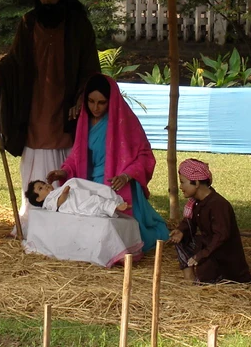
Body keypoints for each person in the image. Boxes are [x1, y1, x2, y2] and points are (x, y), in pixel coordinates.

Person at [0, 0, 100, 235]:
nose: (46, 0)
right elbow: (14, 62)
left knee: (66, 160)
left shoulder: (79, 25)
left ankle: (67, 226)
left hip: (67, 108)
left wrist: (82, 98)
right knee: (35, 158)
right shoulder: (28, 22)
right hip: (34, 108)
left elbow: (90, 68)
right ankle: (33, 221)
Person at [46, 73, 170, 252]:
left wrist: (127, 176)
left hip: (116, 184)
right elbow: (77, 156)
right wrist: (64, 172)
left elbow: (145, 155)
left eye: (101, 102)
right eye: (91, 101)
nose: (95, 107)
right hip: (89, 183)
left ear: (111, 100)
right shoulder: (84, 121)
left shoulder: (125, 121)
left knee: (119, 232)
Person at [169, 158, 251, 284]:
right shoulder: (197, 203)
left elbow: (221, 237)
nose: (180, 187)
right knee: (181, 240)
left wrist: (201, 255)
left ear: (196, 183)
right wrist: (181, 230)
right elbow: (190, 221)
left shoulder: (219, 205)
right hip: (208, 246)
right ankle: (190, 279)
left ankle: (211, 278)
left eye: (182, 182)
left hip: (221, 254)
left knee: (207, 275)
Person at [26, 177, 130, 217]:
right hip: (76, 204)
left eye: (43, 184)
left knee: (97, 196)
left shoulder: (56, 190)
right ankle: (115, 207)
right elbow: (59, 202)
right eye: (40, 188)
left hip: (79, 196)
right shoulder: (48, 202)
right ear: (39, 199)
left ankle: (115, 202)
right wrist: (64, 193)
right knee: (95, 202)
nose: (45, 186)